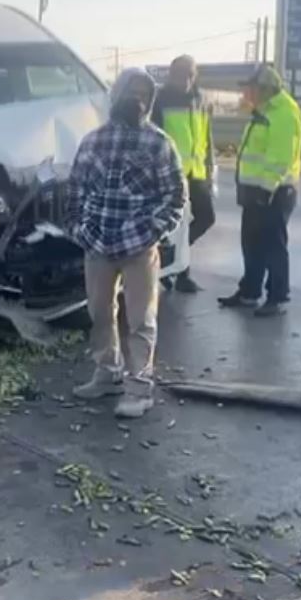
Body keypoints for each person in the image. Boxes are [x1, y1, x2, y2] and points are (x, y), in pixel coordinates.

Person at [67, 68, 187, 419]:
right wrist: (80, 230)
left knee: (141, 320)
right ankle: (107, 373)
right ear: (116, 95)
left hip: (138, 247)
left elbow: (175, 196)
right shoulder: (93, 141)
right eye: (131, 92)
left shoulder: (159, 143)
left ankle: (139, 389)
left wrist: (154, 231)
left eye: (144, 94)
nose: (138, 99)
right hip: (97, 244)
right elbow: (75, 190)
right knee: (99, 314)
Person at [218, 65, 301, 318]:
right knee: (252, 244)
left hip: (274, 192)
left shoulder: (284, 113)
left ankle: (277, 297)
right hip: (255, 191)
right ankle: (249, 292)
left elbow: (280, 157)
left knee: (272, 247)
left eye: (251, 89)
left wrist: (266, 189)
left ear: (265, 89)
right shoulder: (264, 111)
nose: (246, 93)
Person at [152, 55, 215, 293]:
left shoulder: (202, 99)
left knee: (206, 217)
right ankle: (180, 273)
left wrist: (210, 169)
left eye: (190, 74)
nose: (186, 79)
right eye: (180, 74)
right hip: (171, 174)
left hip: (196, 174)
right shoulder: (160, 100)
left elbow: (207, 137)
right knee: (176, 225)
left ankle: (172, 261)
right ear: (171, 74)